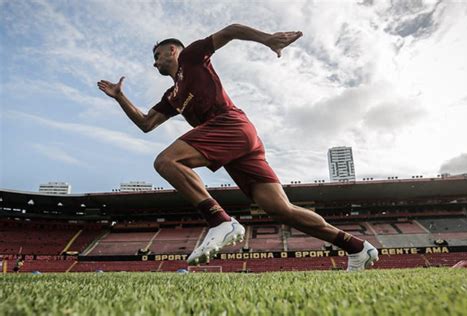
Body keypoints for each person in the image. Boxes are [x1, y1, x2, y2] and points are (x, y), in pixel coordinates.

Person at [98, 24, 379, 271]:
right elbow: (147, 124)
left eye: (156, 56)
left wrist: (268, 39)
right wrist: (120, 98)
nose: (154, 63)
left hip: (230, 125)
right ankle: (356, 247)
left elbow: (230, 31)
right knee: (280, 209)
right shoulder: (172, 95)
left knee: (166, 161)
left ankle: (219, 220)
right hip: (237, 142)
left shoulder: (191, 57)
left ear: (172, 50)